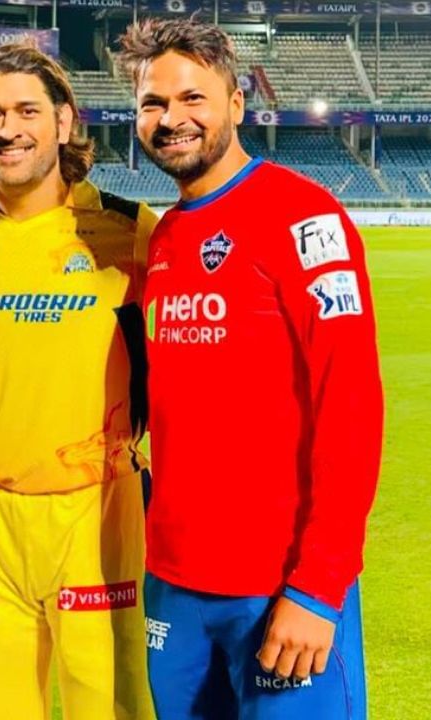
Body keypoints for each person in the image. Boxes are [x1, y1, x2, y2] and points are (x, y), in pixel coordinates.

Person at [117, 18, 383, 720]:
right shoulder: (166, 237)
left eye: (192, 98)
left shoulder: (306, 218)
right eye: (152, 104)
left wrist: (319, 586)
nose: (171, 119)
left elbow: (351, 407)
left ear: (236, 104)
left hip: (278, 586)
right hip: (174, 583)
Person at [0, 41, 159, 720]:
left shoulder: (128, 231)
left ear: (64, 120)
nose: (8, 130)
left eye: (27, 110)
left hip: (99, 515)